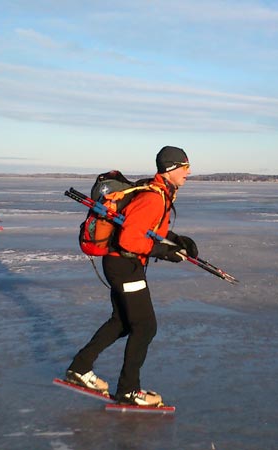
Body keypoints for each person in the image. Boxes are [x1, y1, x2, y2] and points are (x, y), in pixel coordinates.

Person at [64, 146, 199, 406]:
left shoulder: (159, 192)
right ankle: (128, 390)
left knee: (122, 322)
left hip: (121, 264)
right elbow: (129, 239)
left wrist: (178, 241)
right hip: (124, 265)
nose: (188, 171)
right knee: (145, 327)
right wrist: (164, 251)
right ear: (171, 169)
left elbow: (147, 228)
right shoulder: (153, 197)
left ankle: (79, 368)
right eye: (185, 166)